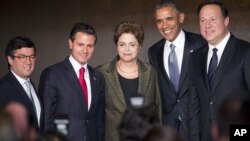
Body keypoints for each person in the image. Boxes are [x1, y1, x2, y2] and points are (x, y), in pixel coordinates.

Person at [189, 1, 250, 141]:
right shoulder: (195, 57)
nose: (207, 25)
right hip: (205, 135)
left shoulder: (245, 51)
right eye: (203, 20)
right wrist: (194, 137)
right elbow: (194, 103)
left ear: (226, 21)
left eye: (212, 19)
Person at [148, 1, 206, 141]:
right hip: (168, 128)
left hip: (197, 126)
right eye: (159, 21)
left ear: (181, 17)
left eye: (169, 19)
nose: (165, 25)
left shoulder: (201, 44)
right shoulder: (154, 51)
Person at [39, 22, 105, 141]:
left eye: (90, 46)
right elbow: (46, 121)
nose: (85, 50)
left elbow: (99, 121)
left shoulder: (98, 77)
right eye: (80, 44)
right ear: (70, 43)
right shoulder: (52, 75)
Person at [97, 21, 161, 141]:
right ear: (117, 46)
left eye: (132, 44)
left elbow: (157, 109)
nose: (127, 49)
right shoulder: (102, 72)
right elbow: (96, 114)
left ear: (139, 47)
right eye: (122, 44)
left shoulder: (150, 72)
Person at [0, 36, 41, 132]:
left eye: (32, 57)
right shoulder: (2, 89)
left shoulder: (31, 85)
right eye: (22, 57)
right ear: (10, 60)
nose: (28, 62)